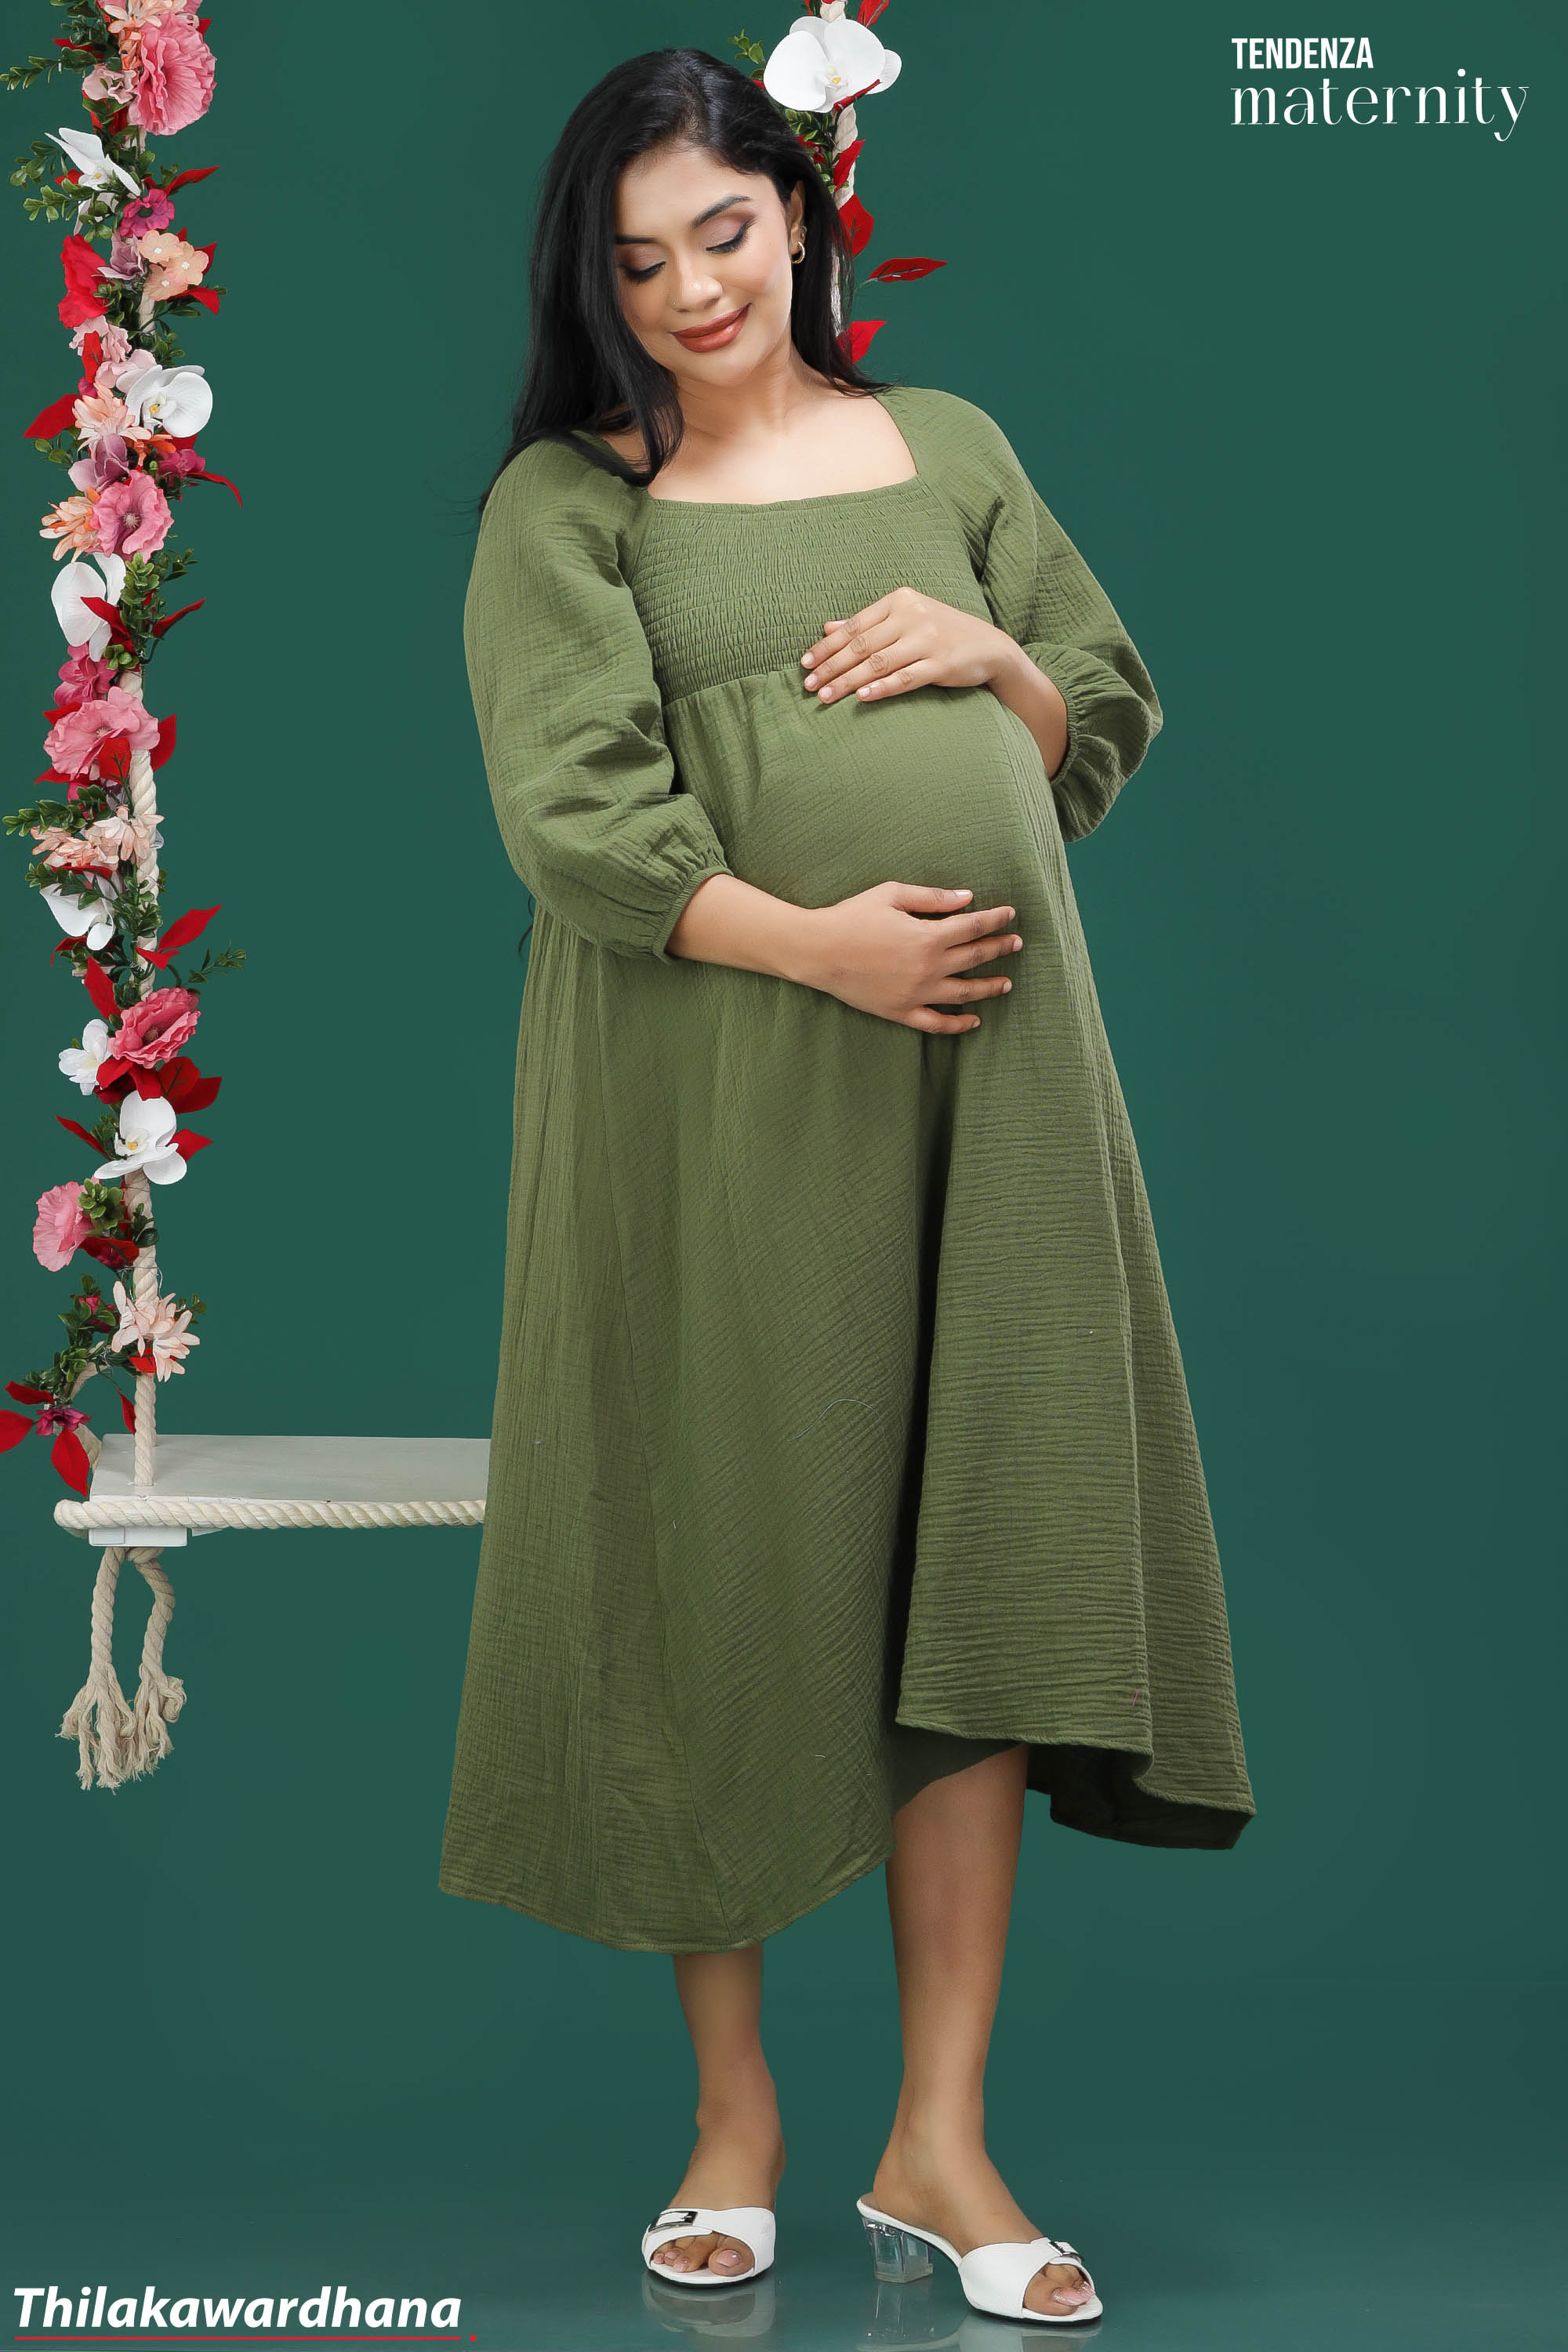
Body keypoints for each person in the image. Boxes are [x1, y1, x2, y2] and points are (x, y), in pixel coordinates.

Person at [439, 44, 1254, 2328]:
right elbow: (573, 816)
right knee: (716, 1558)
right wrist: (827, 948)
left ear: (799, 213)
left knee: (961, 1563)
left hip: (991, 1095)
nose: (692, 290)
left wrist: (992, 657)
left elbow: (1088, 717)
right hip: (705, 1094)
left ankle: (943, 2139)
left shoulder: (952, 450)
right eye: (637, 261)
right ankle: (735, 2126)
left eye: (724, 230)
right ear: (591, 286)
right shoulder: (569, 507)